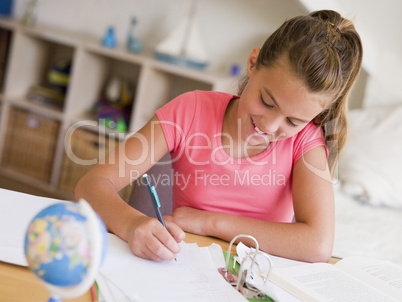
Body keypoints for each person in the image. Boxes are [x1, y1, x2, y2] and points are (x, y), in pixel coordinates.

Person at [75, 10, 363, 263]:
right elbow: (92, 184)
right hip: (183, 266)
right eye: (267, 100)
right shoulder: (190, 110)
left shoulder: (306, 142)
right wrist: (131, 223)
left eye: (292, 120)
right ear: (253, 63)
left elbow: (318, 244)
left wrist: (208, 222)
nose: (270, 125)